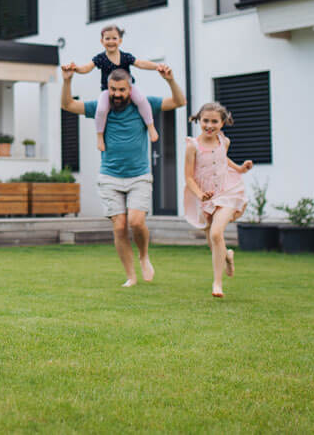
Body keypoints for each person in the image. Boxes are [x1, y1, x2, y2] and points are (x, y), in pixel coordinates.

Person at [60, 63, 186, 287]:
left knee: (136, 222)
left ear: (130, 89)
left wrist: (170, 80)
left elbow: (179, 102)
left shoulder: (143, 105)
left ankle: (144, 255)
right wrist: (68, 80)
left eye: (121, 90)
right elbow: (68, 104)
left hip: (139, 175)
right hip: (110, 176)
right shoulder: (101, 107)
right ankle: (131, 276)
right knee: (119, 226)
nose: (117, 95)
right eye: (113, 90)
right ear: (108, 88)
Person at [183, 102, 253, 298]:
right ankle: (227, 256)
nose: (209, 125)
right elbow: (188, 176)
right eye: (205, 121)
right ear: (199, 120)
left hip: (228, 191)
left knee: (216, 233)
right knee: (213, 241)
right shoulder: (192, 146)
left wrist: (239, 169)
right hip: (204, 195)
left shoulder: (224, 141)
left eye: (214, 121)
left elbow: (223, 159)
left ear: (222, 123)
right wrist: (199, 195)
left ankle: (217, 284)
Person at [68, 24, 161, 152]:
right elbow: (87, 68)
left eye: (114, 38)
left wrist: (157, 66)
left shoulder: (125, 57)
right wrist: (77, 69)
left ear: (120, 41)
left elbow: (141, 63)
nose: (111, 42)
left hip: (128, 88)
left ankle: (151, 127)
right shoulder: (100, 58)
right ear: (102, 41)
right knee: (101, 110)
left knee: (142, 100)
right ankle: (100, 136)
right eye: (107, 39)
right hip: (108, 90)